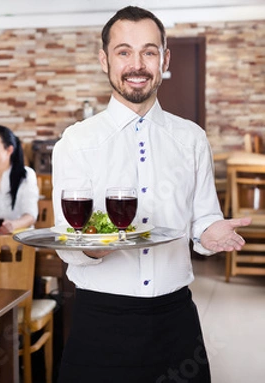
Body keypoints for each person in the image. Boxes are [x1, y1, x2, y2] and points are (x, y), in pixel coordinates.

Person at [51, 6, 251, 382]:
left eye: (149, 51)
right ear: (104, 59)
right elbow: (66, 238)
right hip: (100, 322)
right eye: (123, 51)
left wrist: (209, 233)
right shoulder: (76, 142)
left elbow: (204, 216)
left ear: (165, 58)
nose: (137, 64)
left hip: (175, 321)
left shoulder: (191, 138)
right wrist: (99, 244)